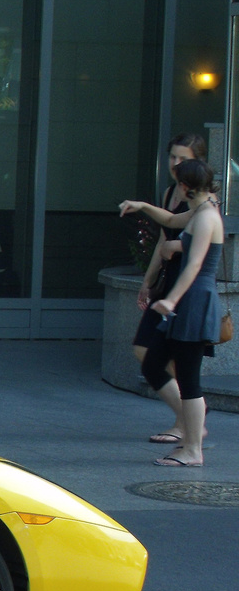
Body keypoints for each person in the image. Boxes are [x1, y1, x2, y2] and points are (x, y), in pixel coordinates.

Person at [120, 159, 225, 468]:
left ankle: (193, 449)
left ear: (184, 186)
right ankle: (191, 439)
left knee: (189, 377)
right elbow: (169, 218)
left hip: (194, 301)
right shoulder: (200, 211)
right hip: (187, 301)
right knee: (153, 363)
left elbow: (194, 265)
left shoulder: (207, 218)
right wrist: (141, 206)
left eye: (177, 180)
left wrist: (171, 300)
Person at [131, 133, 207, 445]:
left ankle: (189, 422)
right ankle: (189, 418)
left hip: (187, 286)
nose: (175, 163)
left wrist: (177, 246)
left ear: (197, 161)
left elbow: (198, 248)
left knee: (174, 360)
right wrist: (147, 283)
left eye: (183, 158)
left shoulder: (203, 200)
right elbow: (164, 239)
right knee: (144, 350)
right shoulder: (170, 193)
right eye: (172, 157)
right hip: (168, 281)